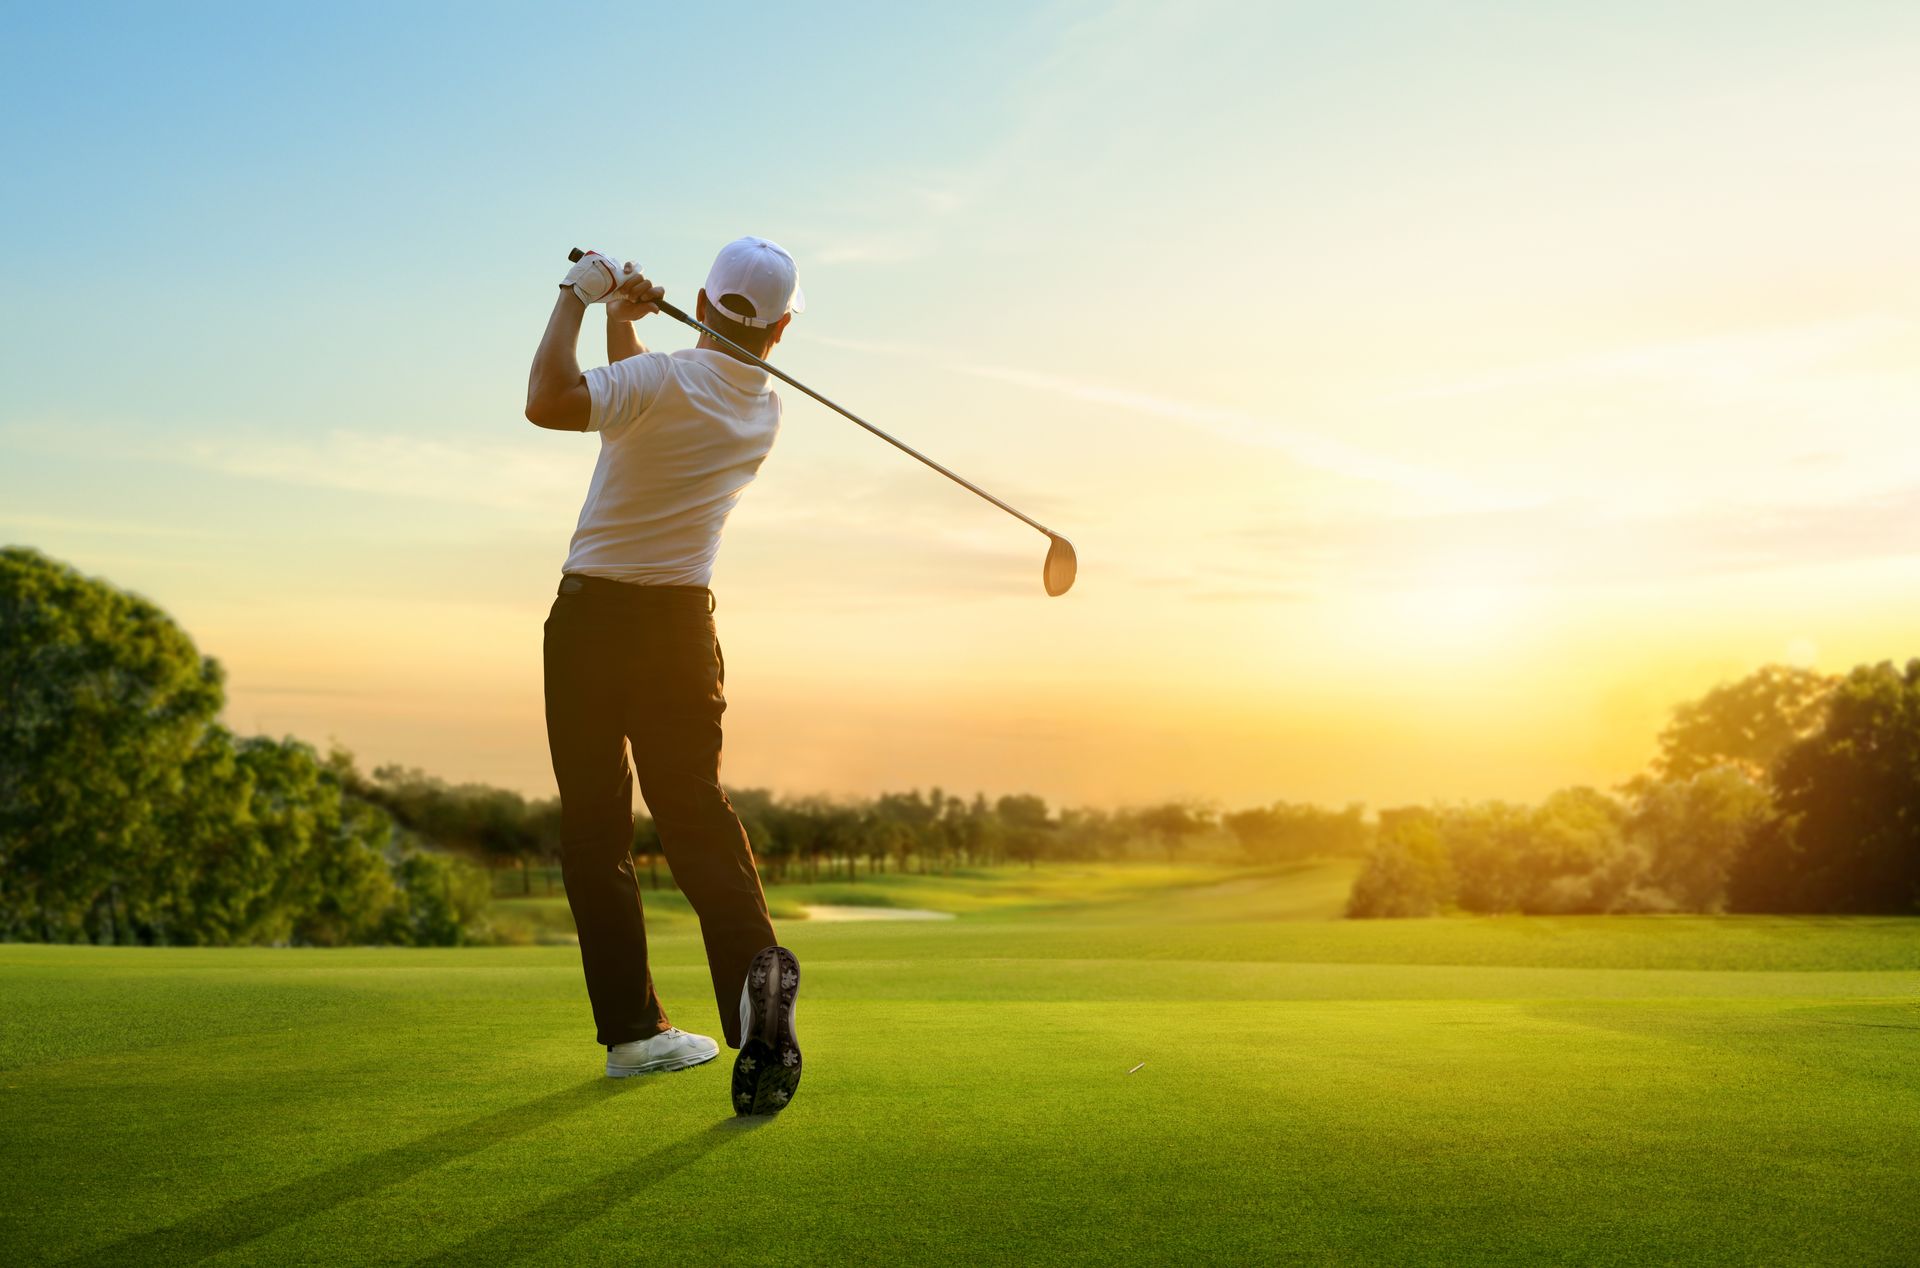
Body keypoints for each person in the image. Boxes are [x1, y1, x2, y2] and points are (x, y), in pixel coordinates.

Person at [523, 237, 804, 1116]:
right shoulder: (760, 412)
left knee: (596, 834)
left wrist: (576, 294)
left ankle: (635, 1035)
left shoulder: (663, 382)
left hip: (589, 624)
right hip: (679, 630)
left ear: (701, 299)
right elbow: (639, 408)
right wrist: (621, 321)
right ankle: (746, 991)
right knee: (695, 816)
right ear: (782, 330)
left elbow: (550, 403)